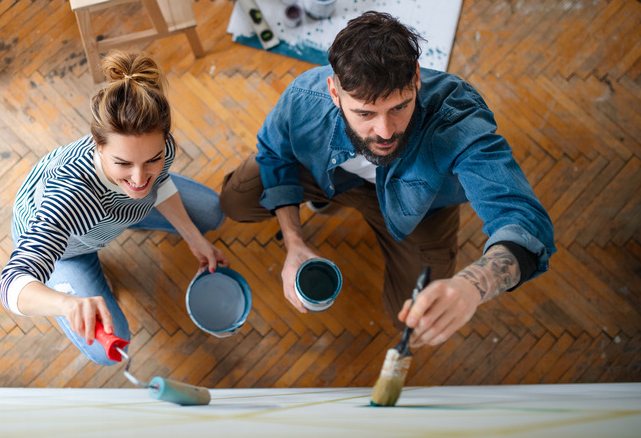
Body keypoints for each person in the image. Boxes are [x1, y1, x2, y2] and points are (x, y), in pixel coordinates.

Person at [219, 11, 555, 348]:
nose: (385, 133)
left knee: (412, 319)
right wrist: (293, 241)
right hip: (333, 176)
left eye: (399, 107)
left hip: (422, 210)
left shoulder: (457, 117)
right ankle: (326, 195)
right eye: (365, 113)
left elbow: (523, 221)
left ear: (416, 79)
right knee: (236, 199)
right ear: (334, 92)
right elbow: (275, 154)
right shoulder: (305, 98)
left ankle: (331, 200)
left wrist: (473, 284)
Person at [0, 50, 228, 365]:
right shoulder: (67, 197)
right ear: (97, 144)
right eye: (122, 163)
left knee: (212, 212)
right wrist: (66, 304)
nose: (139, 178)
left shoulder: (160, 149)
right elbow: (12, 284)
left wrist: (192, 237)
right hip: (70, 247)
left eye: (153, 160)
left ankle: (132, 215)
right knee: (110, 350)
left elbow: (157, 184)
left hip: (112, 216)